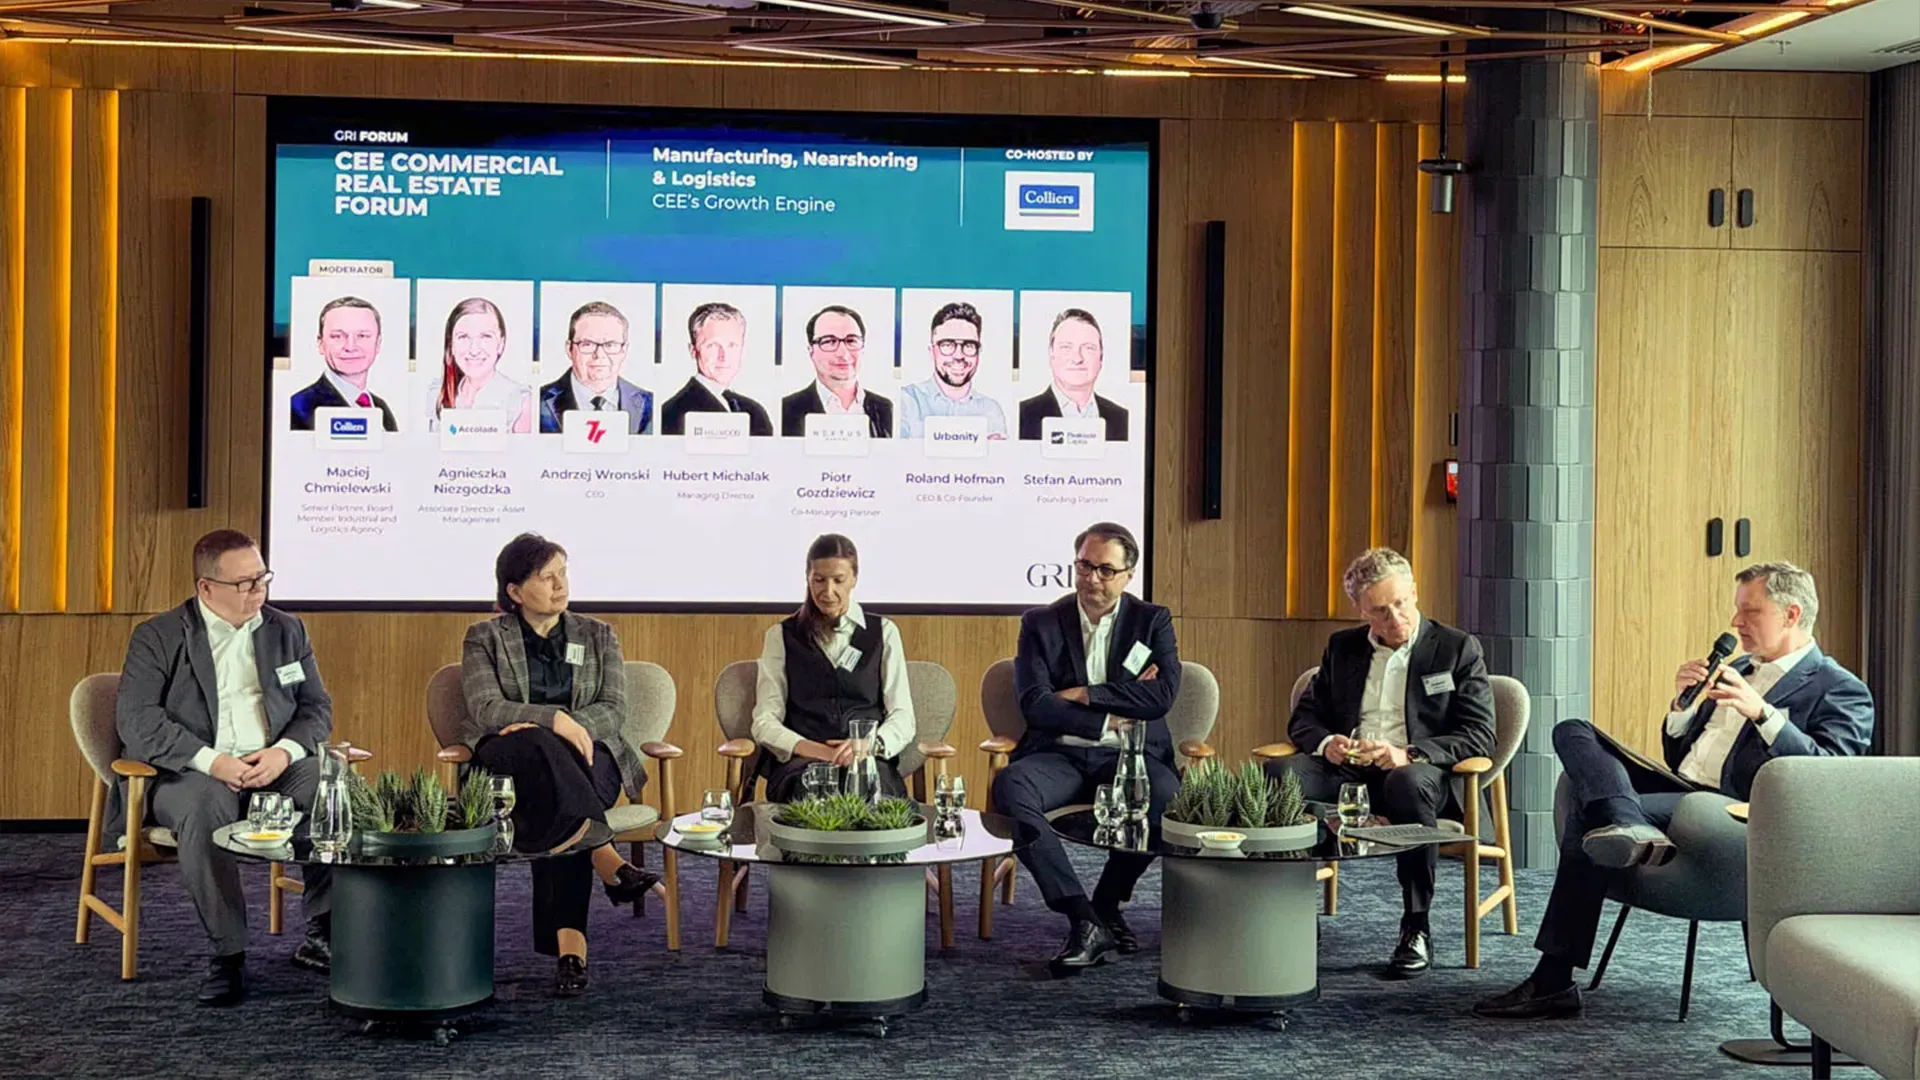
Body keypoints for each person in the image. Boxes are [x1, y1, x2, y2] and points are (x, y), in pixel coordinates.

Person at [1475, 561, 1875, 1020]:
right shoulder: (1737, 667)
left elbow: (1828, 775)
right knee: (1573, 731)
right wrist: (1680, 709)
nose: (1736, 622)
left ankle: (1554, 979)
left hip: (1728, 811)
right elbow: (1682, 755)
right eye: (1737, 610)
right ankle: (1626, 821)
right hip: (1680, 789)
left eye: (1750, 611)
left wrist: (1763, 714)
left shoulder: (1839, 689)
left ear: (1791, 614)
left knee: (1588, 809)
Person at [113, 529, 334, 1006]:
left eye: (263, 578)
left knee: (331, 787)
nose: (258, 591)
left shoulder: (286, 630)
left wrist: (285, 752)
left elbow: (316, 707)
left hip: (271, 765)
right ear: (206, 588)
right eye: (245, 583)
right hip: (191, 772)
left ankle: (324, 929)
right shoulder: (160, 636)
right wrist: (213, 762)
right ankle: (228, 953)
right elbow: (137, 721)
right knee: (205, 806)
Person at [1270, 547, 1496, 979]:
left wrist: (1408, 753)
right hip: (1348, 769)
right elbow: (1303, 718)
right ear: (1361, 610)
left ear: (1415, 591)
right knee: (1280, 775)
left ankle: (1416, 926)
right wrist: (1327, 744)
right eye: (1380, 610)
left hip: (1419, 772)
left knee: (1407, 782)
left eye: (1401, 603)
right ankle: (1295, 911)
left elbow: (1479, 735)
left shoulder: (1456, 648)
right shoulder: (1343, 648)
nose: (1395, 618)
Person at [458, 533, 661, 998]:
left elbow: (614, 709)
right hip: (511, 764)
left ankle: (587, 874)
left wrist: (568, 728)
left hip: (592, 759)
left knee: (562, 804)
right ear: (514, 591)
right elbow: (486, 708)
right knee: (538, 749)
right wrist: (552, 721)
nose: (560, 584)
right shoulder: (484, 638)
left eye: (563, 573)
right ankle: (598, 877)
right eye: (546, 576)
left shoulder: (598, 634)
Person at [991, 522, 1180, 974]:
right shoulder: (1040, 623)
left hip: (1130, 755)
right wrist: (1109, 714)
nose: (1092, 578)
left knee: (1166, 798)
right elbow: (1035, 704)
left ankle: (1107, 902)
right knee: (1011, 789)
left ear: (1128, 575)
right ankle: (1083, 918)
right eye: (1084, 566)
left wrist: (1085, 693)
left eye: (1105, 570)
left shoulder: (1152, 621)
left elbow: (1162, 697)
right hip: (1059, 754)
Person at [750, 534, 916, 802]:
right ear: (808, 578)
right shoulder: (780, 636)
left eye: (838, 580)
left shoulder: (884, 632)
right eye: (819, 580)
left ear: (854, 579)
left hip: (868, 761)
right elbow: (764, 721)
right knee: (811, 800)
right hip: (802, 764)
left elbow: (903, 716)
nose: (828, 592)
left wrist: (868, 745)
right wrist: (820, 752)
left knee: (873, 799)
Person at [897, 301, 1008, 439]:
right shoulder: (906, 401)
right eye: (947, 345)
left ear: (978, 352)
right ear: (932, 351)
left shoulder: (991, 411)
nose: (958, 356)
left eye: (969, 345)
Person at [539, 301, 653, 434]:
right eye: (587, 344)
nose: (599, 355)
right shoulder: (539, 401)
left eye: (610, 345)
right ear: (569, 349)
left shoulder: (649, 404)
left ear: (624, 350)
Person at [660, 302, 773, 436]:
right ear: (693, 351)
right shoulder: (672, 414)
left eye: (732, 345)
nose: (723, 356)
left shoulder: (755, 412)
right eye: (713, 345)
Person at [780, 305, 893, 438]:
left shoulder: (886, 409)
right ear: (811, 351)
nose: (843, 353)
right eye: (829, 341)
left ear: (863, 347)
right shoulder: (785, 411)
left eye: (851, 341)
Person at [1017, 308, 1128, 442]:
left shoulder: (1123, 418)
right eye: (1066, 347)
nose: (1077, 358)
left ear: (1101, 358)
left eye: (1088, 348)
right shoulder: (1020, 416)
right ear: (1051, 355)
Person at [290, 296, 399, 432]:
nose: (350, 347)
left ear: (378, 344)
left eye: (362, 336)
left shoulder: (381, 408)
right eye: (337, 336)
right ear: (320, 343)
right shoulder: (299, 408)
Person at [426, 297, 532, 434]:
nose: (474, 350)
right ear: (451, 345)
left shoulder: (519, 401)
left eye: (486, 337)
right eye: (463, 337)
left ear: (501, 344)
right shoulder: (438, 393)